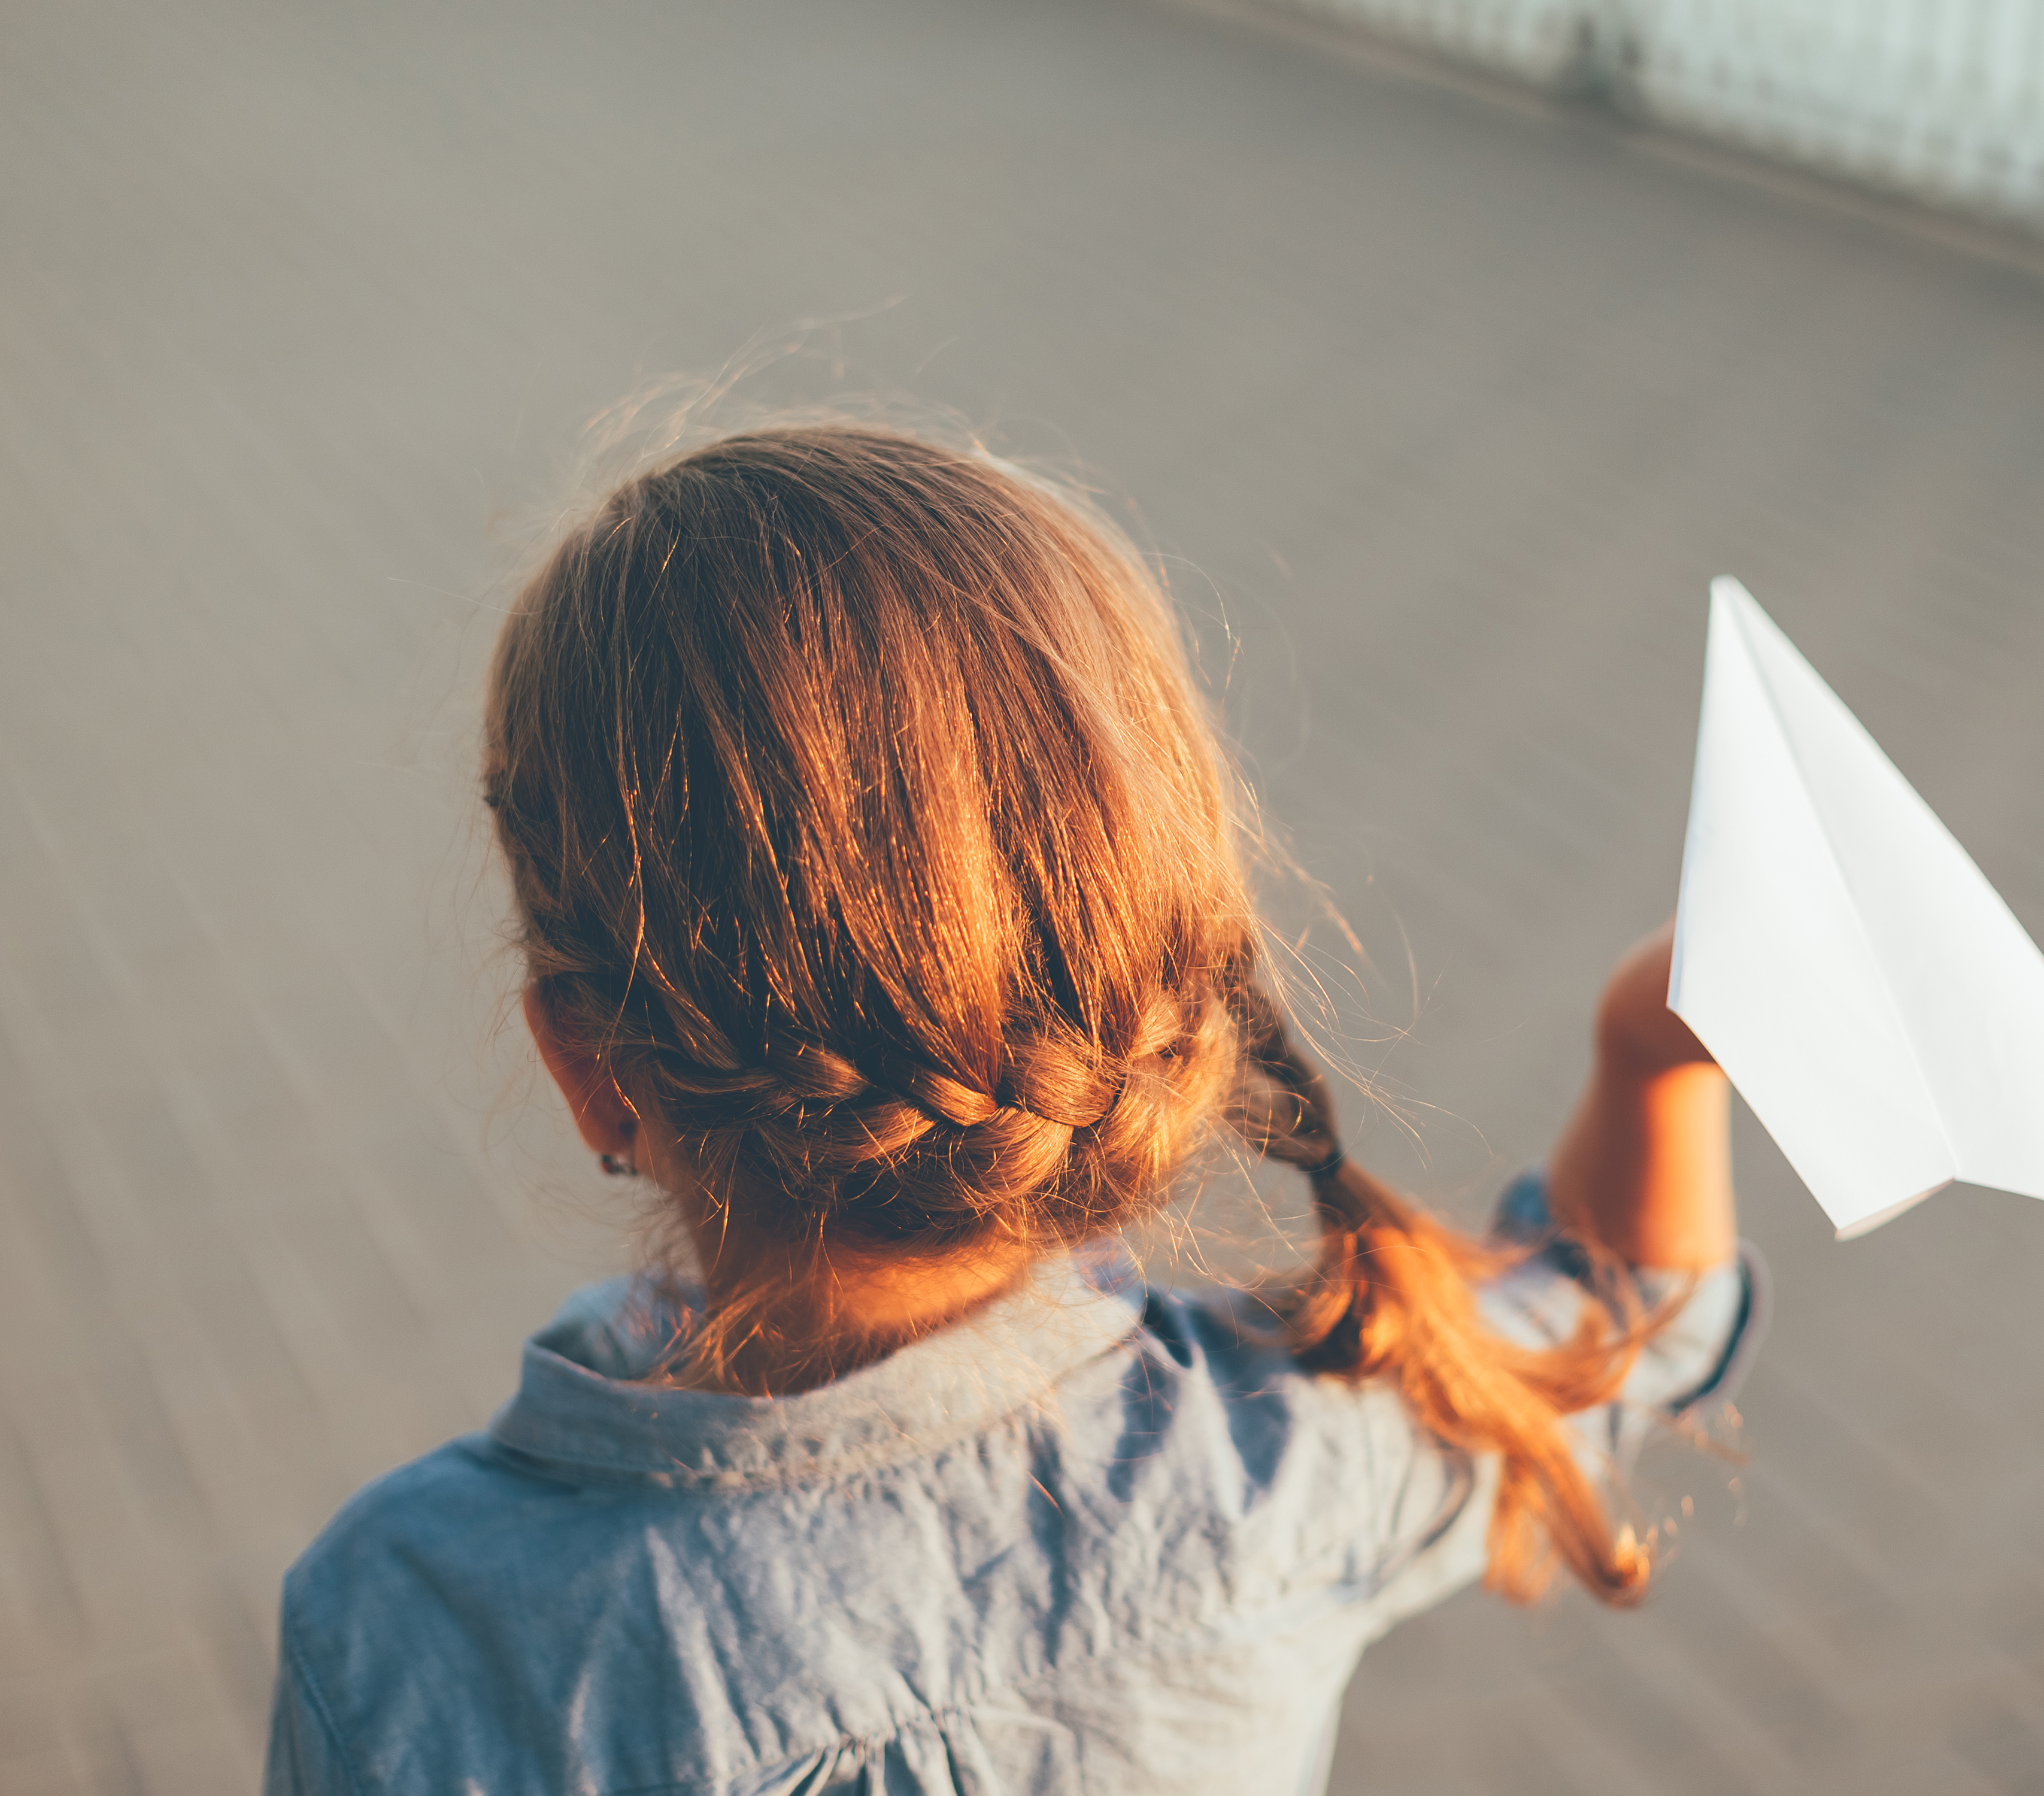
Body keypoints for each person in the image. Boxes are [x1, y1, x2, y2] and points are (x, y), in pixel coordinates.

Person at [265, 421, 1764, 1795]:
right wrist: (1654, 1046)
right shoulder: (1285, 1460)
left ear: (589, 1062)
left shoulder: (416, 1628)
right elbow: (1637, 1322)